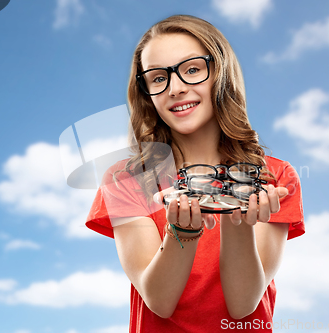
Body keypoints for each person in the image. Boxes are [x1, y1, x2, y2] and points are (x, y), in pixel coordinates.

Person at [86, 14, 305, 333]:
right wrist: (182, 233)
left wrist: (238, 220)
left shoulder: (274, 176)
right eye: (158, 78)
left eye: (192, 70)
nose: (175, 88)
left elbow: (243, 305)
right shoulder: (126, 180)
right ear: (146, 92)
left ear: (220, 73)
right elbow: (159, 301)